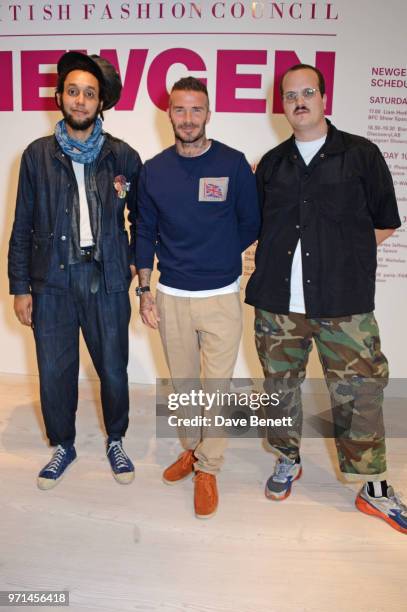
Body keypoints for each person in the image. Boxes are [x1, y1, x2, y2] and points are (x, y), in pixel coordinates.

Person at [245, 63, 407, 534]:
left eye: (308, 92)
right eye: (290, 95)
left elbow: (386, 221)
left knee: (359, 393)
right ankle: (287, 458)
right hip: (278, 304)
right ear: (283, 105)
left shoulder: (361, 154)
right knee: (280, 389)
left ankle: (373, 486)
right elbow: (258, 228)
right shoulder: (272, 164)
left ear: (323, 98)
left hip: (344, 303)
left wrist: (341, 262)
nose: (299, 101)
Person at [8, 52, 142, 490]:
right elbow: (22, 224)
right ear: (59, 97)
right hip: (52, 283)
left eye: (89, 93)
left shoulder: (123, 156)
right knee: (54, 370)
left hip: (106, 279)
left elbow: (142, 222)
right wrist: (20, 285)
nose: (81, 101)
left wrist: (140, 274)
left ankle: (116, 439)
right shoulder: (36, 156)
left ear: (100, 101)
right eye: (73, 92)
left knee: (114, 368)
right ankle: (62, 444)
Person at [135, 76, 260, 518]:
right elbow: (144, 232)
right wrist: (145, 289)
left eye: (196, 109)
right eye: (179, 109)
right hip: (171, 296)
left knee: (215, 390)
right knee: (185, 387)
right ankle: (191, 449)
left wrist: (219, 257)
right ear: (168, 114)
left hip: (222, 296)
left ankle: (208, 467)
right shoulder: (153, 170)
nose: (188, 118)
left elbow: (250, 222)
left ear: (209, 114)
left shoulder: (234, 163)